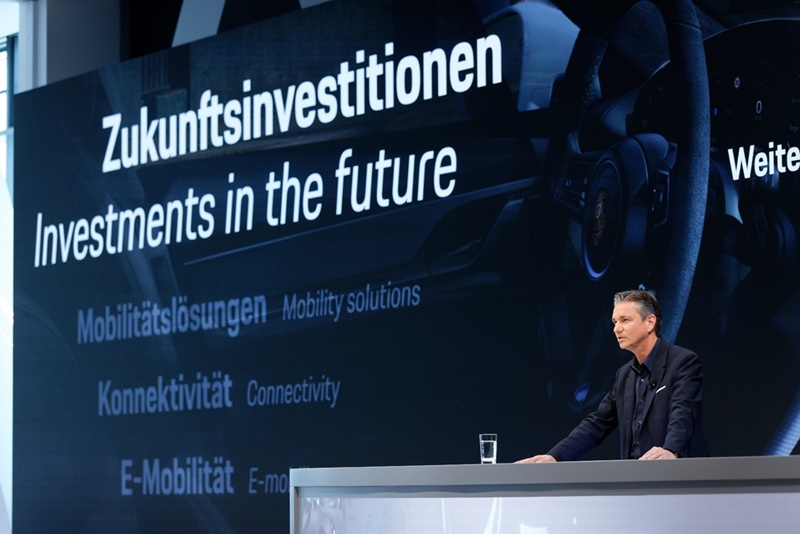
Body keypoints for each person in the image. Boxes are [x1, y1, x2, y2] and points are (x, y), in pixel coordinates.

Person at [518, 289, 708, 462]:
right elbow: (597, 423)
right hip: (635, 478)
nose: (617, 329)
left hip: (680, 475)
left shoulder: (683, 362)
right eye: (615, 322)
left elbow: (683, 411)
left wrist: (671, 450)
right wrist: (554, 456)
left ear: (650, 322)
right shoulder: (625, 375)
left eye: (625, 320)